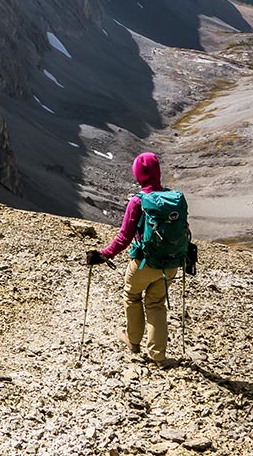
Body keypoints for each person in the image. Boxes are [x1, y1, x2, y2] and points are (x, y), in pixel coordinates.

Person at [86, 152, 189, 367]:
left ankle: (133, 341)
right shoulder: (175, 199)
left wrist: (103, 254)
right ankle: (158, 356)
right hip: (170, 264)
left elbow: (124, 237)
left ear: (139, 175)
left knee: (132, 296)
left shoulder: (138, 201)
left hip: (144, 264)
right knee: (156, 304)